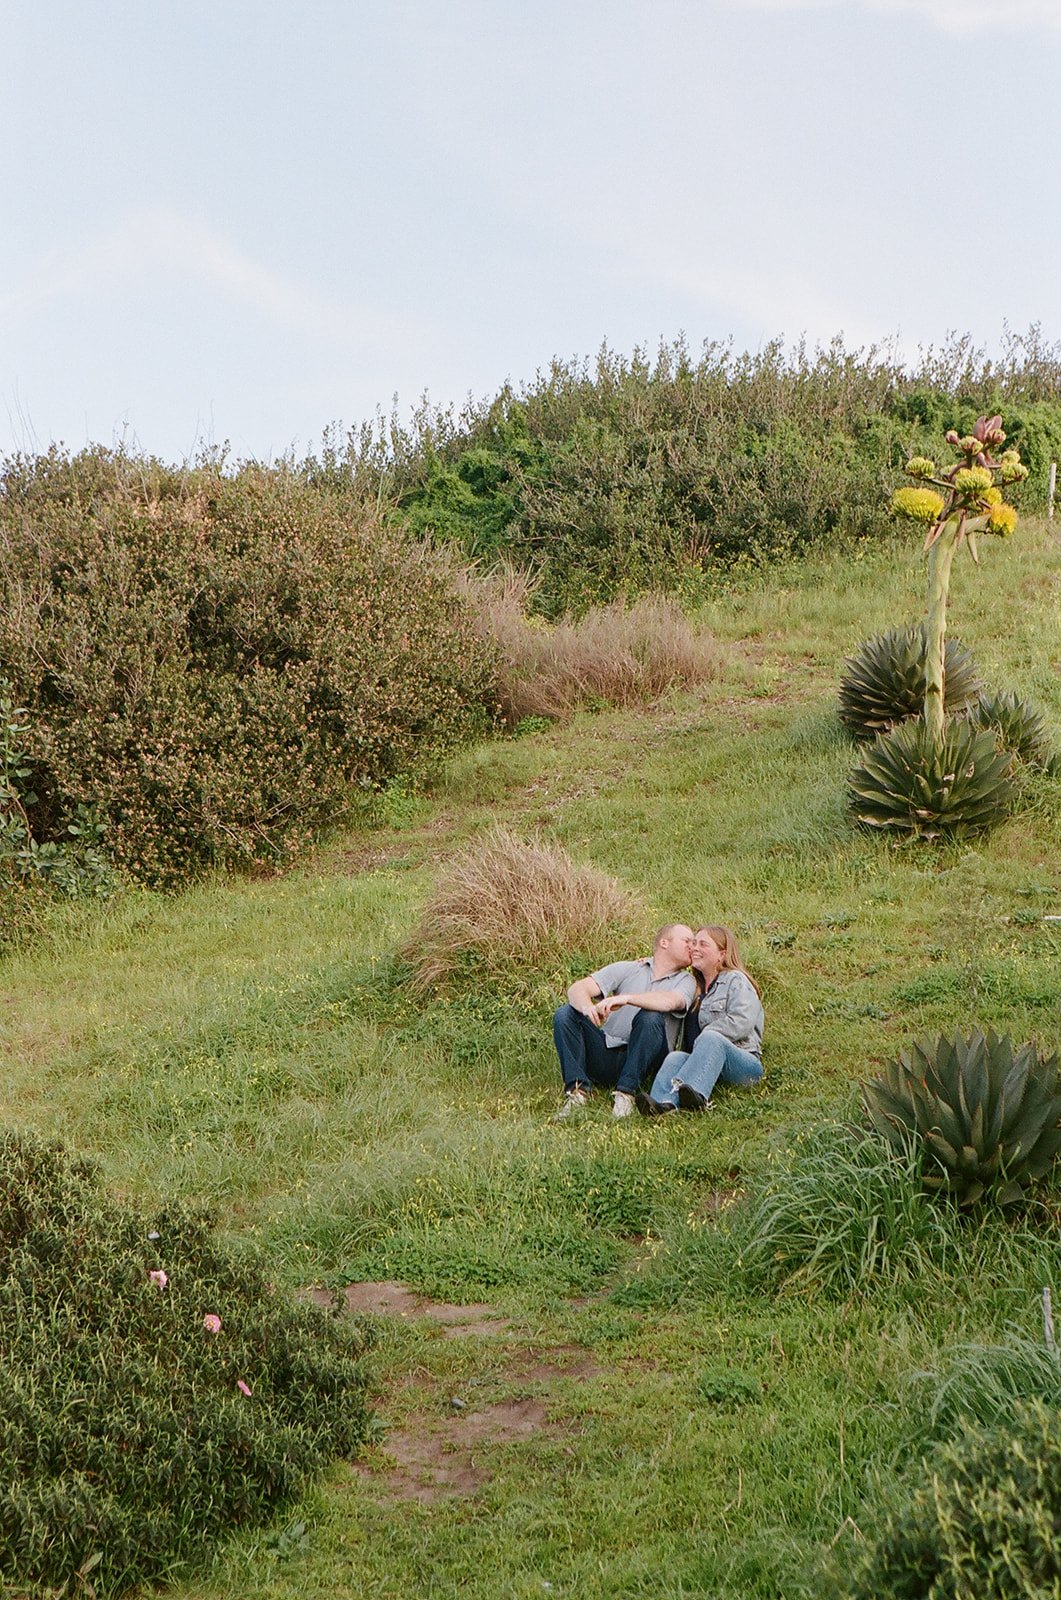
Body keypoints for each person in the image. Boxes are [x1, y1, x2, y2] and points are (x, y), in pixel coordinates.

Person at [553, 924, 696, 1119]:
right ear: (664, 942)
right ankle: (577, 1092)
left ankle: (626, 1094)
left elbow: (672, 1001)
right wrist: (589, 1008)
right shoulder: (629, 968)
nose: (692, 946)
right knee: (565, 1013)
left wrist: (627, 998)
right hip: (608, 1052)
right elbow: (577, 989)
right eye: (686, 941)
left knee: (650, 1016)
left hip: (650, 1059)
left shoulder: (687, 981)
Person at [636, 925, 763, 1116]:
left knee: (712, 1038)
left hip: (743, 1063)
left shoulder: (736, 980)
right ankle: (663, 1104)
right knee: (675, 1057)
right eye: (693, 943)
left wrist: (704, 1040)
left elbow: (741, 1022)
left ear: (721, 954)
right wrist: (646, 963)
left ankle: (696, 1096)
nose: (694, 948)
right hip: (704, 1065)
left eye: (702, 944)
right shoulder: (694, 987)